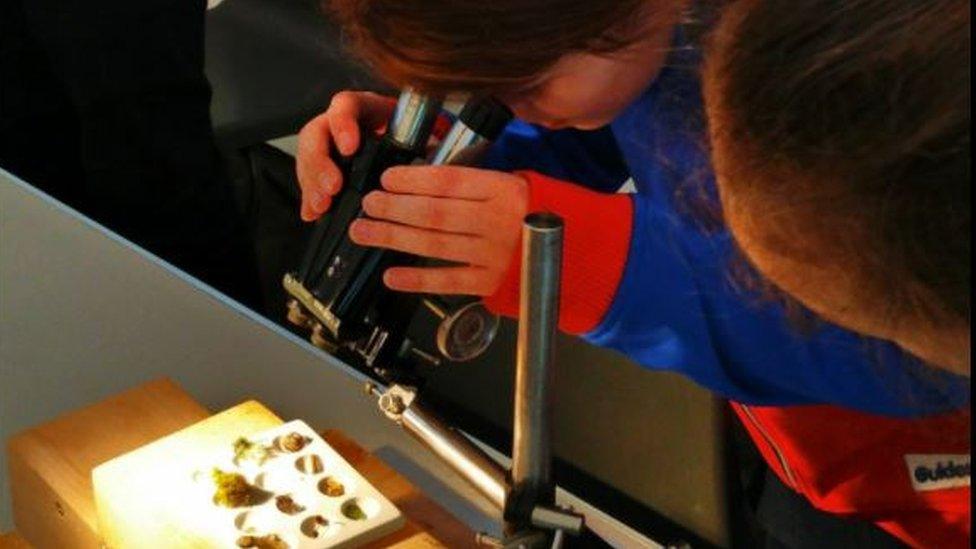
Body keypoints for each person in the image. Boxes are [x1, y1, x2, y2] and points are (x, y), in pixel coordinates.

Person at [295, 0, 970, 546]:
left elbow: (913, 339)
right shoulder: (643, 36)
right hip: (803, 454)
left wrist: (603, 266)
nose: (504, 102)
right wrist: (462, 156)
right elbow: (603, 109)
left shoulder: (862, 64)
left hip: (931, 466)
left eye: (521, 83)